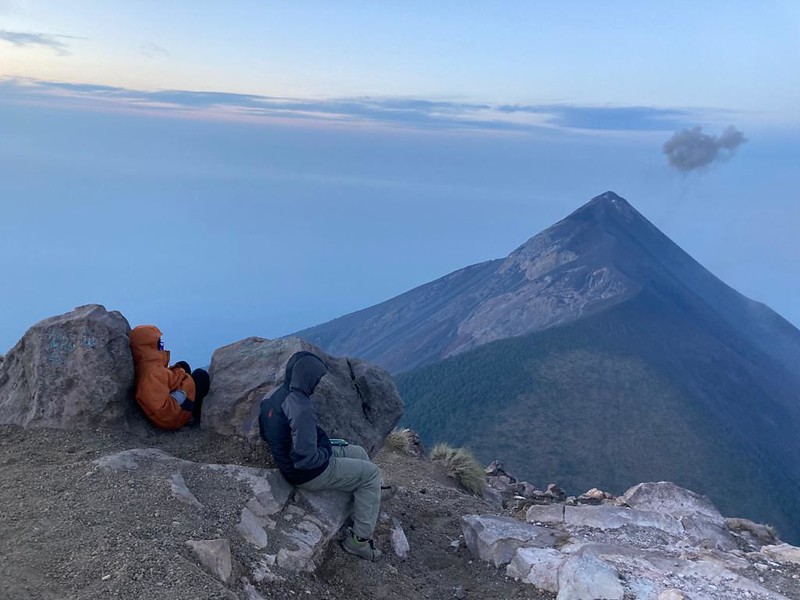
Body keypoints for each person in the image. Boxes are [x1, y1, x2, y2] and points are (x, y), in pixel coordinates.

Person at [259, 351, 384, 561]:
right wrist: (326, 451)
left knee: (359, 453)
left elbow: (265, 433)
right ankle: (359, 542)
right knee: (371, 474)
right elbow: (307, 459)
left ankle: (369, 500)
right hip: (306, 473)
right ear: (307, 377)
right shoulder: (300, 407)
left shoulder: (272, 396)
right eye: (316, 378)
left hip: (292, 461)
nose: (317, 383)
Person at [129, 325, 210, 430]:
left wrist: (179, 373)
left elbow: (166, 380)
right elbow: (161, 408)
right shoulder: (153, 373)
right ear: (150, 345)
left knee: (182, 365)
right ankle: (192, 417)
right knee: (200, 376)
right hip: (171, 417)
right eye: (157, 342)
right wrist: (183, 379)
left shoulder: (144, 364)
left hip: (165, 409)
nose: (161, 345)